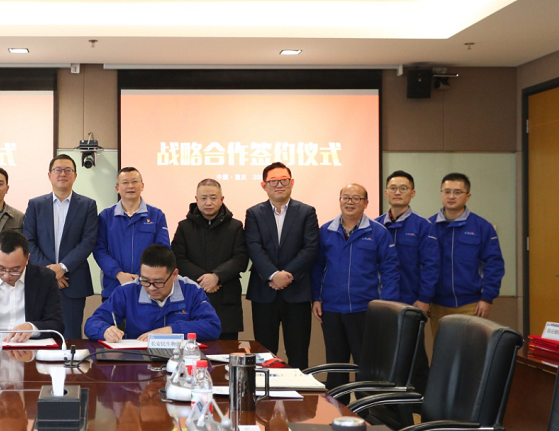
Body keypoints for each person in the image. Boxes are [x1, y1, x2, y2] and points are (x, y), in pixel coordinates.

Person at [312, 184, 399, 389]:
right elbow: (317, 267)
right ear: (339, 200)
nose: (350, 202)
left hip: (365, 309)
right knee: (335, 365)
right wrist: (316, 298)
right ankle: (336, 406)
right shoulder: (326, 231)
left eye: (356, 198)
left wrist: (386, 306)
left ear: (366, 203)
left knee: (366, 365)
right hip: (332, 309)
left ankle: (366, 406)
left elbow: (390, 270)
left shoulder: (378, 232)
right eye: (345, 197)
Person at [244, 162, 319, 369]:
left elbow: (311, 248)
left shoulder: (306, 212)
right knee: (264, 355)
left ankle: (298, 390)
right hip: (264, 292)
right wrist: (273, 274)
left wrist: (287, 275)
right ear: (264, 185)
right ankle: (265, 390)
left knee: (298, 353)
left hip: (297, 292)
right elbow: (253, 247)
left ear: (292, 182)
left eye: (284, 180)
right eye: (273, 181)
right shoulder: (254, 213)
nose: (279, 185)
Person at [376, 170, 440, 392]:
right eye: (393, 188)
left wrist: (424, 299)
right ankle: (387, 402)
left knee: (414, 355)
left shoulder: (423, 226)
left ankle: (418, 402)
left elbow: (431, 265)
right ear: (386, 193)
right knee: (385, 354)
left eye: (403, 188)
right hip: (382, 302)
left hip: (411, 301)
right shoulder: (375, 225)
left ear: (412, 193)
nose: (397, 192)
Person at [23, 154, 99, 339]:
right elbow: (28, 241)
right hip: (40, 281)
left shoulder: (88, 205)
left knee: (71, 337)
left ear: (75, 175)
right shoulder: (35, 205)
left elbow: (88, 241)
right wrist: (50, 272)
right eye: (58, 170)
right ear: (49, 175)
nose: (62, 174)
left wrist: (63, 267)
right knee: (39, 336)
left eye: (68, 170)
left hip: (72, 281)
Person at [84, 244, 221, 341]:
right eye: (145, 280)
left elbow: (212, 326)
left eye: (158, 282)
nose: (151, 288)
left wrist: (171, 331)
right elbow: (92, 323)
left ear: (174, 275)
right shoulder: (127, 291)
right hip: (137, 362)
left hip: (180, 361)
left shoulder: (191, 290)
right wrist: (104, 330)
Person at [171, 179, 248, 341]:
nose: (208, 202)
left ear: (222, 199)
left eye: (213, 198)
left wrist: (216, 276)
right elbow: (177, 258)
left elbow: (241, 258)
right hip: (192, 296)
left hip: (226, 299)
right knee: (191, 349)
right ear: (196, 199)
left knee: (226, 350)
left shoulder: (235, 226)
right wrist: (203, 279)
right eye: (204, 198)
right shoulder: (184, 227)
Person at [429, 173, 505, 336]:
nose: (451, 196)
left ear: (468, 196)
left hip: (471, 304)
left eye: (457, 192)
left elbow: (494, 265)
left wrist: (487, 298)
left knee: (469, 348)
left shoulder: (482, 227)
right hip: (437, 304)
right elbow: (422, 265)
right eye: (447, 191)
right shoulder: (428, 226)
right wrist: (424, 297)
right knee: (442, 348)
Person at [93, 167, 169, 299]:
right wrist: (118, 274)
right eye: (125, 182)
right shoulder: (106, 216)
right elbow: (99, 250)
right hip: (114, 287)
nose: (130, 186)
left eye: (134, 181)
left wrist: (142, 276)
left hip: (148, 288)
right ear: (117, 188)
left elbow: (163, 250)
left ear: (142, 186)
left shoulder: (156, 215)